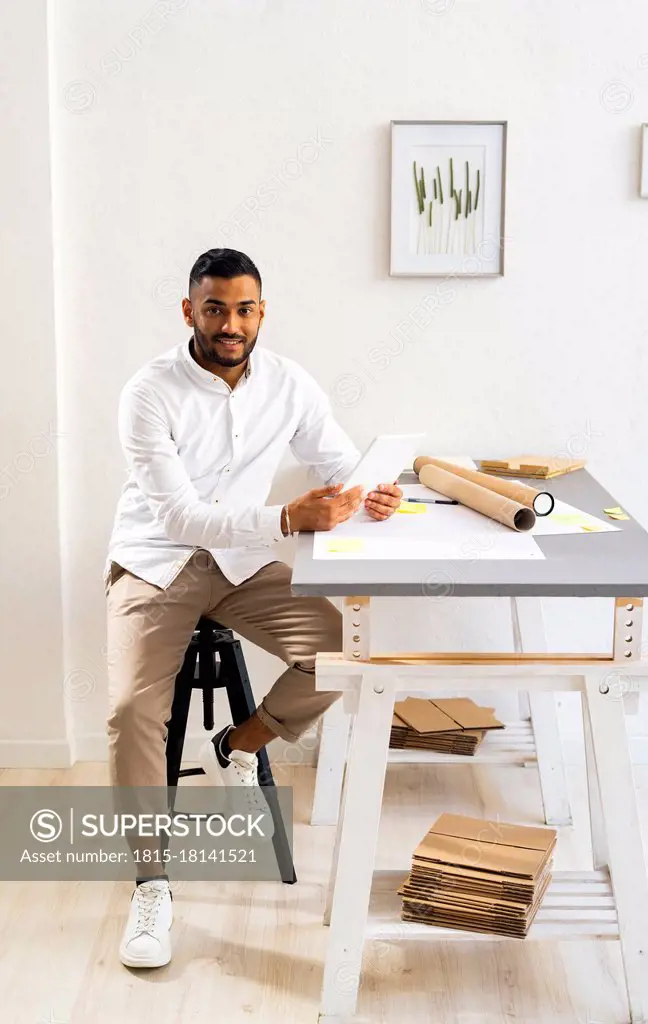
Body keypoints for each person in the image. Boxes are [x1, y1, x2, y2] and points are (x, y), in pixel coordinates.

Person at [105, 248, 403, 968]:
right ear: (189, 311)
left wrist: (370, 491)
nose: (230, 324)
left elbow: (336, 462)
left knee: (342, 649)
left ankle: (240, 745)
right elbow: (179, 517)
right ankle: (152, 882)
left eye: (243, 309)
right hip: (157, 562)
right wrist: (287, 521)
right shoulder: (148, 393)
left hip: (241, 563)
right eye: (215, 308)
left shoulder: (288, 383)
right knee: (129, 710)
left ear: (261, 311)